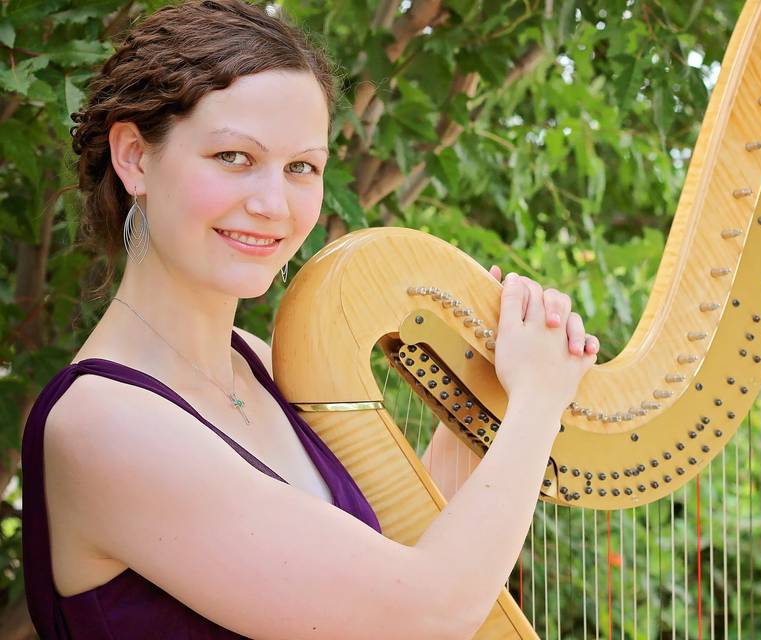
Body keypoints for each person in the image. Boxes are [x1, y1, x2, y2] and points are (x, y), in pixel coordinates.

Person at [20, 1, 600, 638]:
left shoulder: (258, 361)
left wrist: (482, 390)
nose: (273, 204)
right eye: (234, 157)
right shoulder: (103, 426)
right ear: (134, 156)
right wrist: (539, 405)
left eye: (302, 167)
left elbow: (395, 559)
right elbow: (426, 615)